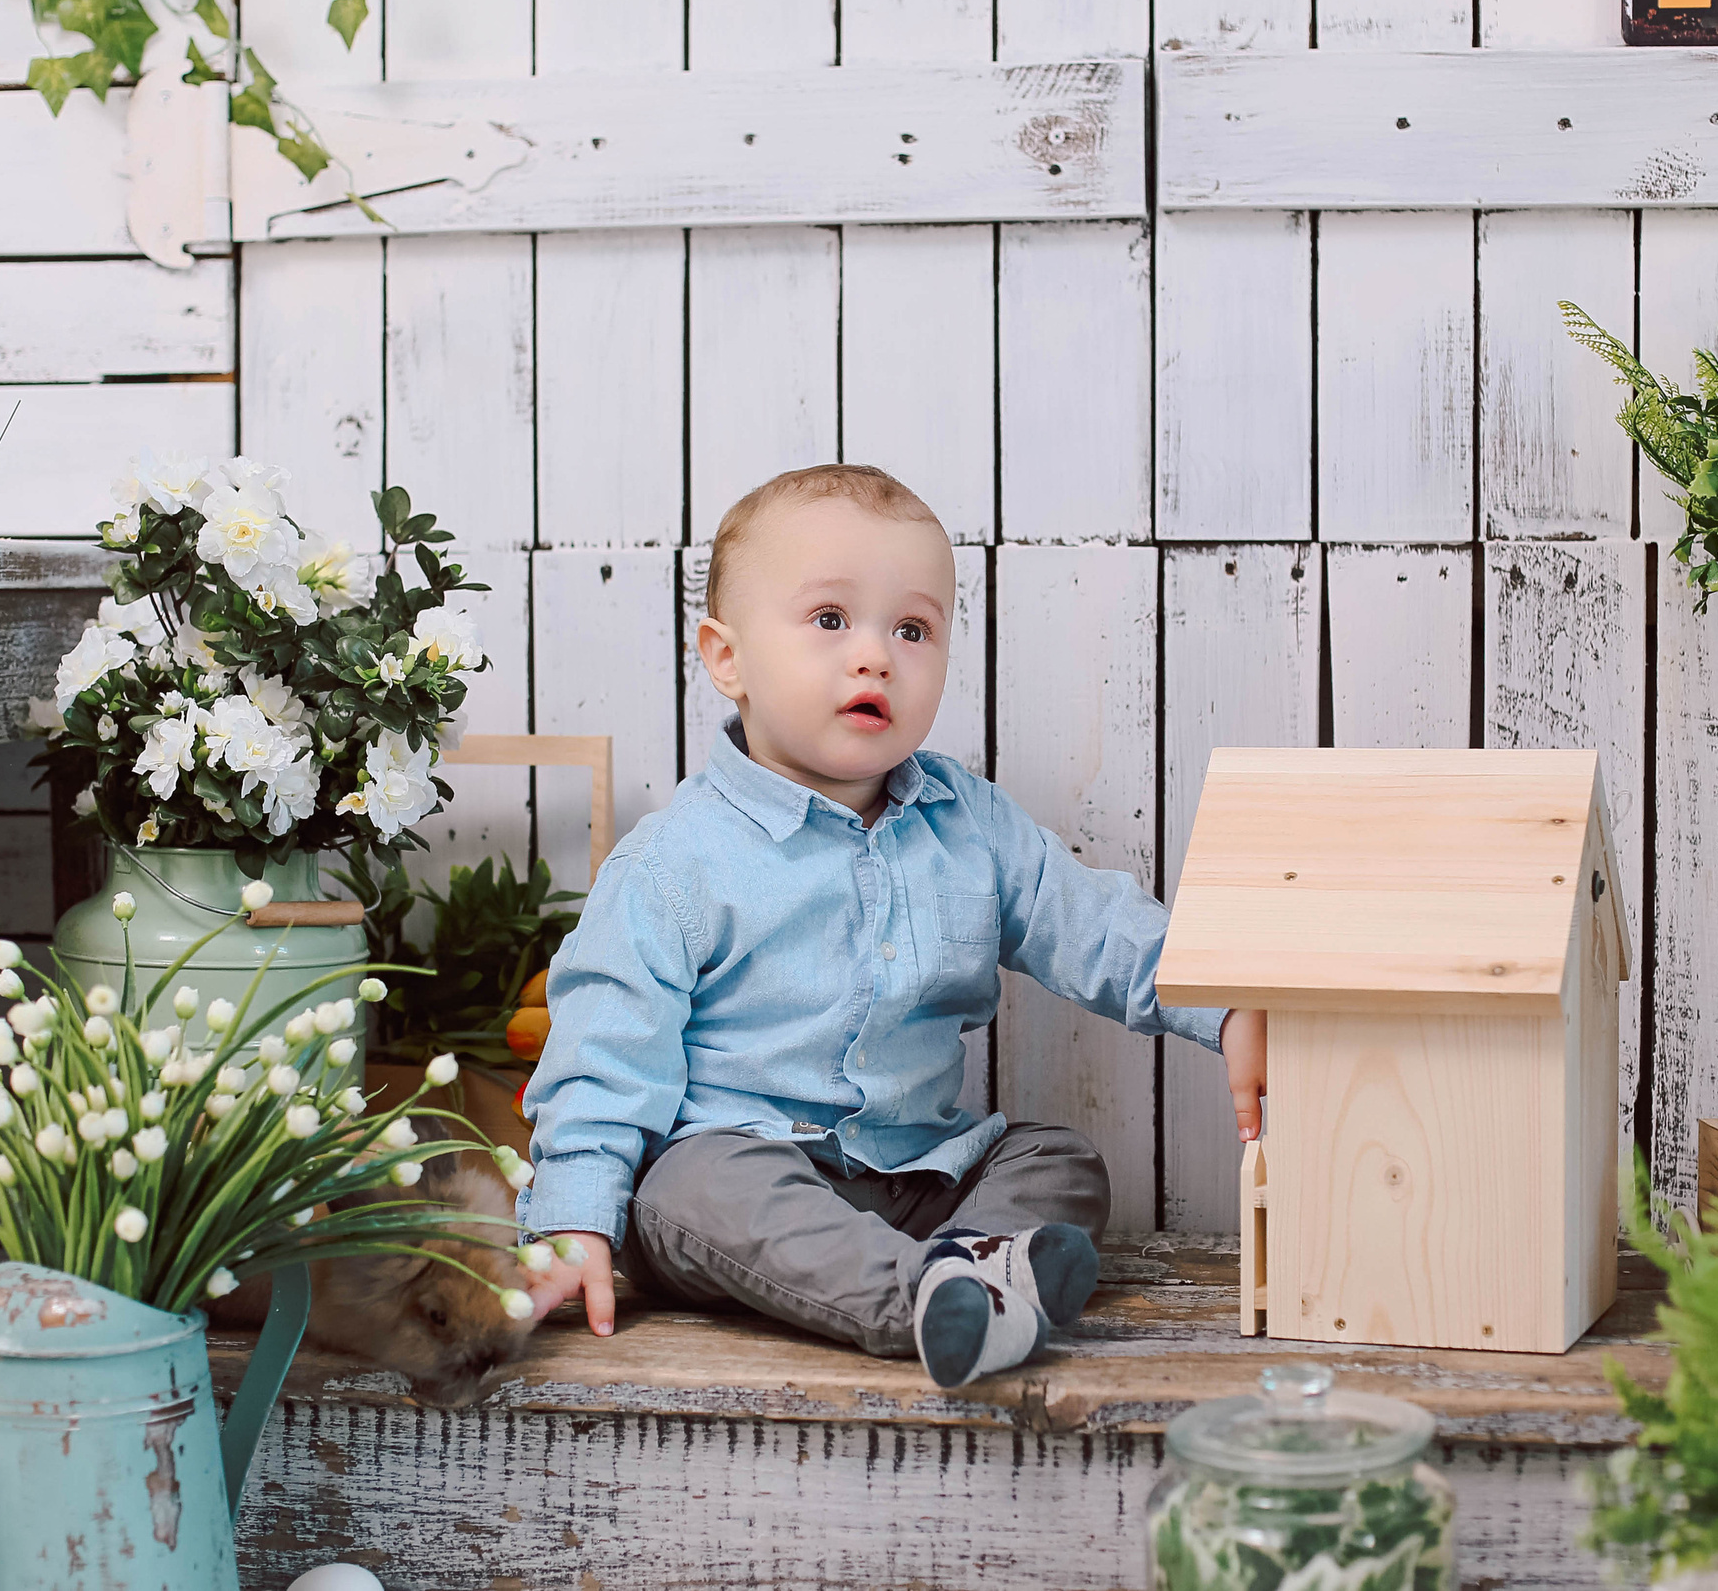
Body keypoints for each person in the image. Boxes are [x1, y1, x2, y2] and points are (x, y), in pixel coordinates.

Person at [522, 464, 1266, 1387]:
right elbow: (605, 1051)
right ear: (727, 658)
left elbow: (1093, 927)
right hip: (748, 1181)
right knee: (686, 1187)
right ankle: (930, 1294)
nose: (875, 656)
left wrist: (1227, 1004)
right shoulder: (675, 862)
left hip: (920, 1177)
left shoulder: (971, 824)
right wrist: (577, 1214)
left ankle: (966, 1276)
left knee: (1059, 1158)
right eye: (830, 620)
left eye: (911, 629)